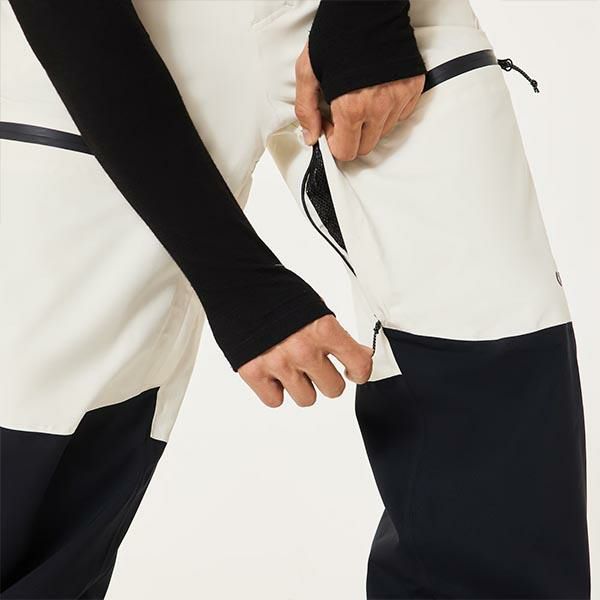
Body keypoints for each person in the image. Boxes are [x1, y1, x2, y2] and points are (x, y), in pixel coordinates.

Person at [0, 1, 590, 599]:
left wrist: (368, 15)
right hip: (96, 31)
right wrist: (240, 285)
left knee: (494, 369)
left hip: (371, 17)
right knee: (34, 429)